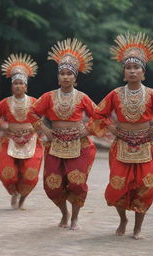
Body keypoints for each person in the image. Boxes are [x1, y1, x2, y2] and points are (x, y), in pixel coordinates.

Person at [93, 32, 153, 239]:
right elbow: (98, 113)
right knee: (116, 185)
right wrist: (111, 128)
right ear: (124, 72)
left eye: (136, 67)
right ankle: (123, 219)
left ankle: (138, 228)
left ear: (143, 72)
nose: (132, 71)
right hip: (121, 145)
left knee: (145, 186)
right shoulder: (115, 94)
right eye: (128, 68)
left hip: (146, 145)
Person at [28, 38, 97, 230]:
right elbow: (31, 112)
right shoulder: (48, 97)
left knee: (77, 182)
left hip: (79, 144)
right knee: (52, 184)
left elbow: (99, 116)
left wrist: (86, 129)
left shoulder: (83, 97)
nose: (66, 77)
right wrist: (45, 130)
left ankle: (74, 218)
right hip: (55, 143)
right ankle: (64, 213)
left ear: (76, 78)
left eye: (69, 74)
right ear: (58, 78)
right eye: (62, 73)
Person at [0, 53, 43, 209]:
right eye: (15, 83)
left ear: (26, 86)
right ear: (11, 86)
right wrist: (2, 125)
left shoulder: (35, 102)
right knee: (7, 171)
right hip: (10, 139)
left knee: (30, 173)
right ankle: (14, 192)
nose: (18, 86)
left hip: (31, 139)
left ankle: (22, 199)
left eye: (21, 83)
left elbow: (43, 117)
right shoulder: (5, 102)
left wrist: (35, 130)